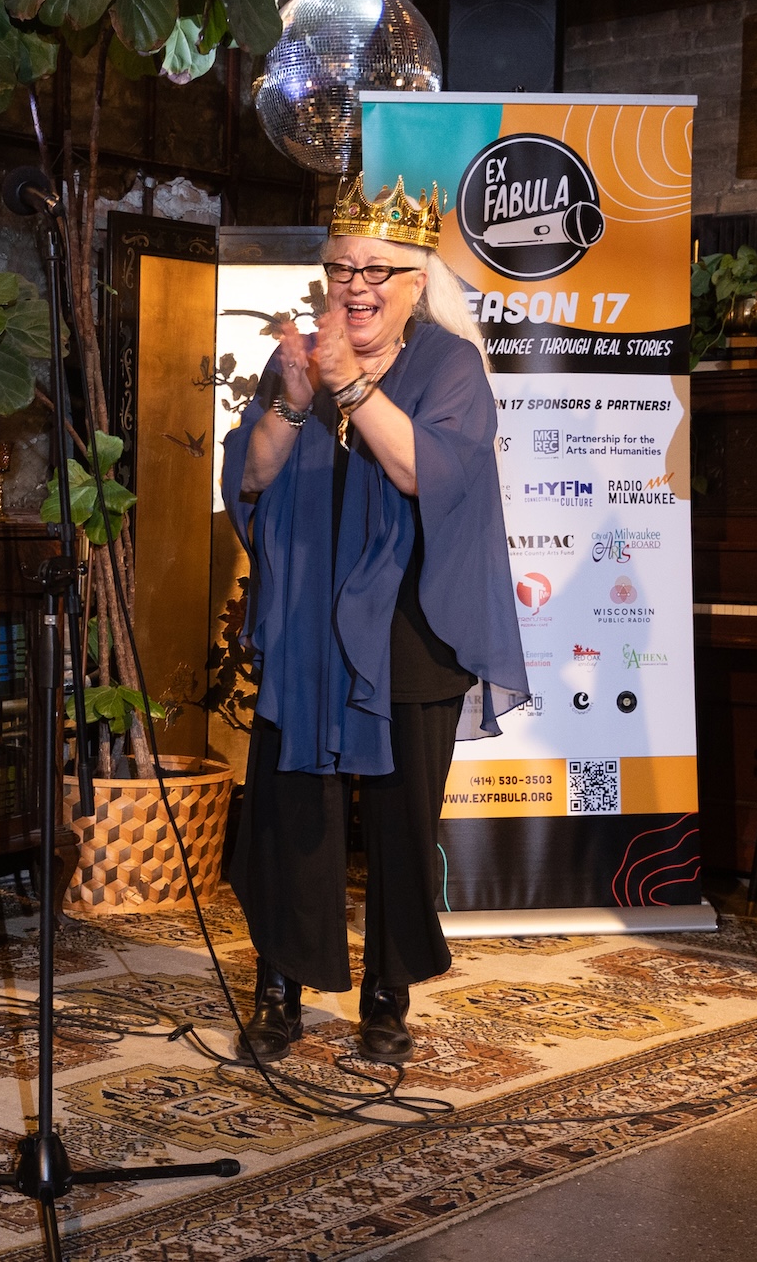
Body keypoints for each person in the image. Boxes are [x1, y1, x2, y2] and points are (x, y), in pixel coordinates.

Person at [220, 175, 529, 1063]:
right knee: (290, 812)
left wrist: (349, 386)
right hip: (312, 627)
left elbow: (424, 471)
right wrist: (287, 399)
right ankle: (279, 985)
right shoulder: (305, 358)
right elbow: (249, 479)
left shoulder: (449, 366)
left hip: (411, 630)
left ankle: (386, 995)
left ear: (416, 281)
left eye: (376, 270)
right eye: (341, 268)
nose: (355, 286)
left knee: (400, 820)